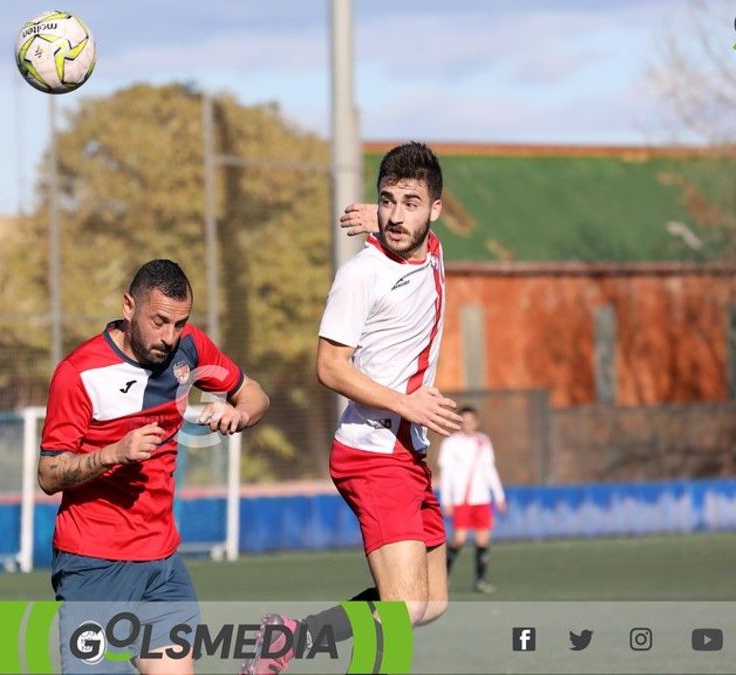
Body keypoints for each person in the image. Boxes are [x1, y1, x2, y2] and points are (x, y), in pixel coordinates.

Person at [242, 142, 462, 675]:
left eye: (410, 202)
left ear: (435, 209)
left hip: (409, 453)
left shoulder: (429, 249)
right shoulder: (360, 275)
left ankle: (292, 637)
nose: (396, 214)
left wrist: (377, 215)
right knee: (403, 607)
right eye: (387, 200)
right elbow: (330, 368)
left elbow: (410, 232)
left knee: (431, 604)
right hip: (371, 452)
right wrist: (405, 403)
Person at [39, 258, 269, 674]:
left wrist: (241, 415)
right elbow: (49, 474)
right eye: (159, 321)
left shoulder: (190, 347)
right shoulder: (78, 373)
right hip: (95, 566)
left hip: (162, 565)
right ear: (129, 307)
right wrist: (112, 453)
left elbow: (252, 392)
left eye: (179, 324)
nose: (169, 337)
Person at [438, 405, 507, 593]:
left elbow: (490, 469)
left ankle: (480, 579)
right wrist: (447, 500)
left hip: (482, 498)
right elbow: (447, 473)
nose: (468, 424)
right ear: (459, 422)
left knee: (483, 540)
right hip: (461, 499)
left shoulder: (483, 441)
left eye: (471, 421)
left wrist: (499, 495)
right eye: (464, 421)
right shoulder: (451, 443)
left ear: (476, 422)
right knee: (458, 539)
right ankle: (441, 577)